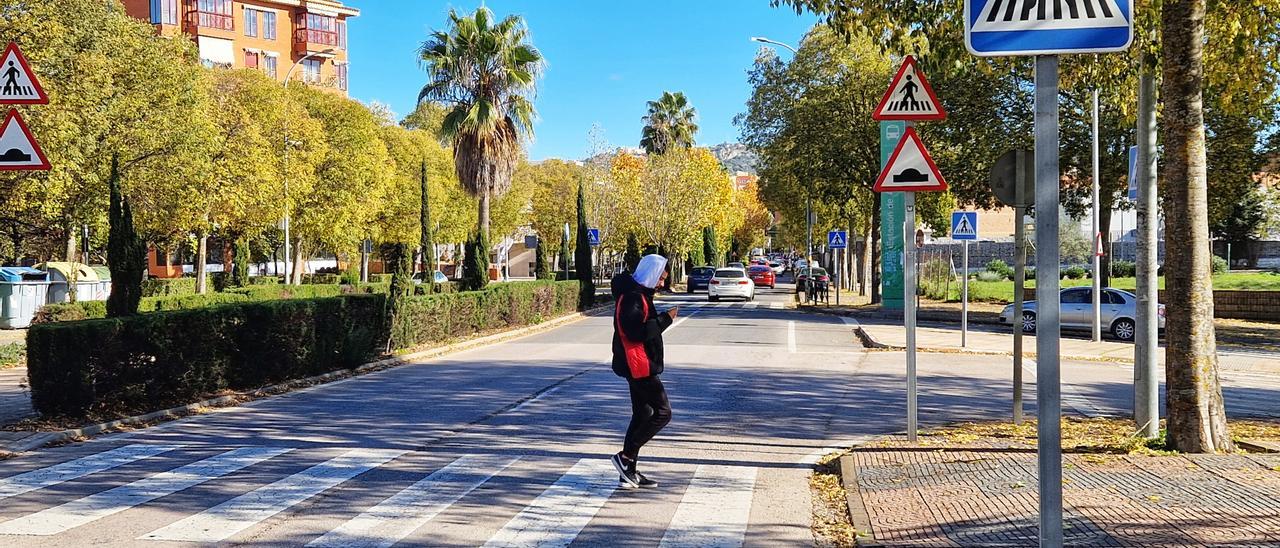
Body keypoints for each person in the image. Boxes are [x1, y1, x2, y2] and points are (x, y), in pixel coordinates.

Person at [609, 254, 677, 488]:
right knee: (662, 413)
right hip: (638, 365)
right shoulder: (632, 298)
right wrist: (664, 320)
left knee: (642, 415)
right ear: (651, 274)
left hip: (638, 363)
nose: (661, 284)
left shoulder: (639, 295)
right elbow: (635, 332)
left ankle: (628, 472)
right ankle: (625, 457)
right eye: (660, 278)